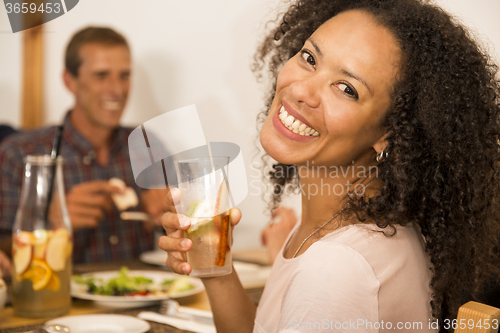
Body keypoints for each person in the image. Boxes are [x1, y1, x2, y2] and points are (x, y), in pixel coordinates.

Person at [160, 0, 500, 332]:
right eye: (309, 58)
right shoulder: (341, 225)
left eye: (346, 88)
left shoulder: (336, 267)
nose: (301, 90)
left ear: (391, 133)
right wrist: (216, 270)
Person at [0, 26, 168, 264]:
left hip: (145, 294)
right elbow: (3, 255)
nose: (117, 90)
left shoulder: (148, 146)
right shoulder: (19, 155)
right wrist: (50, 225)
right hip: (61, 297)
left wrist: (173, 215)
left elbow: (188, 235)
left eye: (124, 75)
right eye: (101, 75)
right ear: (70, 82)